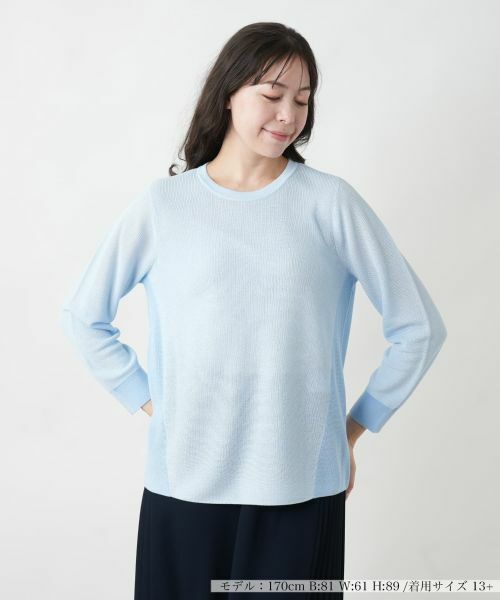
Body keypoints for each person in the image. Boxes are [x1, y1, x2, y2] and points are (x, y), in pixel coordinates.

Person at [59, 21, 447, 600]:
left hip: (300, 491)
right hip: (184, 488)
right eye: (272, 94)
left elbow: (419, 328)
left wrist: (350, 430)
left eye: (303, 100)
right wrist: (155, 404)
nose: (289, 115)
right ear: (228, 92)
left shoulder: (329, 202)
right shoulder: (165, 206)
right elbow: (84, 317)